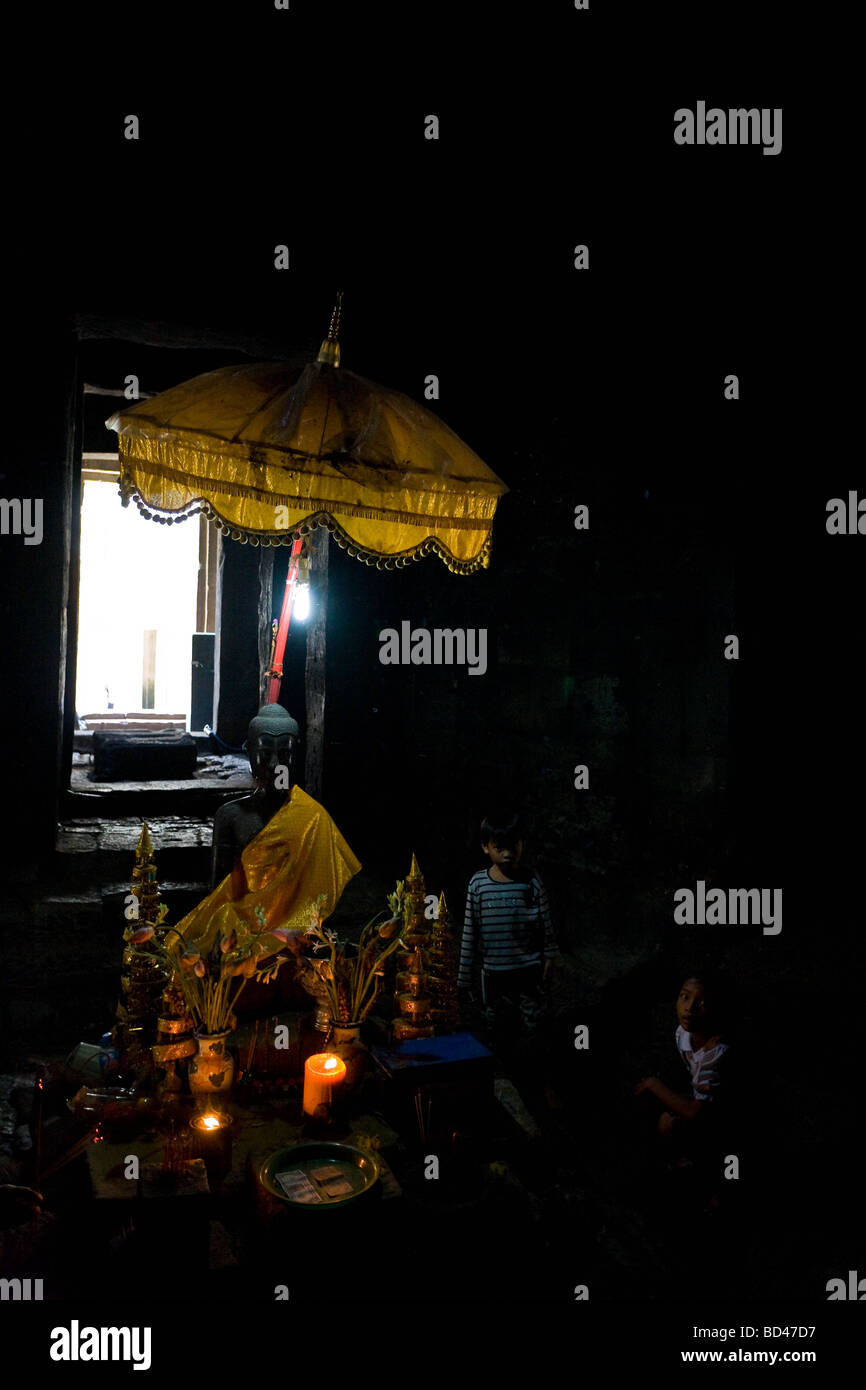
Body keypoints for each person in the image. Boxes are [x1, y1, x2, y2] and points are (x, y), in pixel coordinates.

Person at [174, 703, 361, 996]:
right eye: (265, 752)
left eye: (285, 753)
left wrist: (301, 940)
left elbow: (318, 901)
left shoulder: (312, 819)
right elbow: (216, 898)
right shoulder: (231, 816)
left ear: (295, 757)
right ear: (249, 754)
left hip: (291, 943)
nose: (275, 764)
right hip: (239, 938)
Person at [458, 810, 558, 1047]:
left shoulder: (530, 880)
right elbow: (469, 933)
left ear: (521, 845)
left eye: (513, 847)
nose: (507, 854)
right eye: (500, 847)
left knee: (532, 1025)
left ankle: (531, 1068)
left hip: (528, 971)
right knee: (495, 1024)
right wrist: (463, 977)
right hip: (494, 973)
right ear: (486, 847)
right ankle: (501, 1069)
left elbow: (545, 920)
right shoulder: (478, 884)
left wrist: (551, 956)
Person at [633, 972, 732, 1202]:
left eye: (702, 1002)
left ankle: (713, 1188)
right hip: (708, 1103)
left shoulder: (717, 1052)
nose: (690, 1008)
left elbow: (695, 1111)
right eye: (685, 997)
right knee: (665, 1122)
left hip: (729, 1116)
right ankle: (681, 1162)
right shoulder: (684, 1035)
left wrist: (652, 1084)